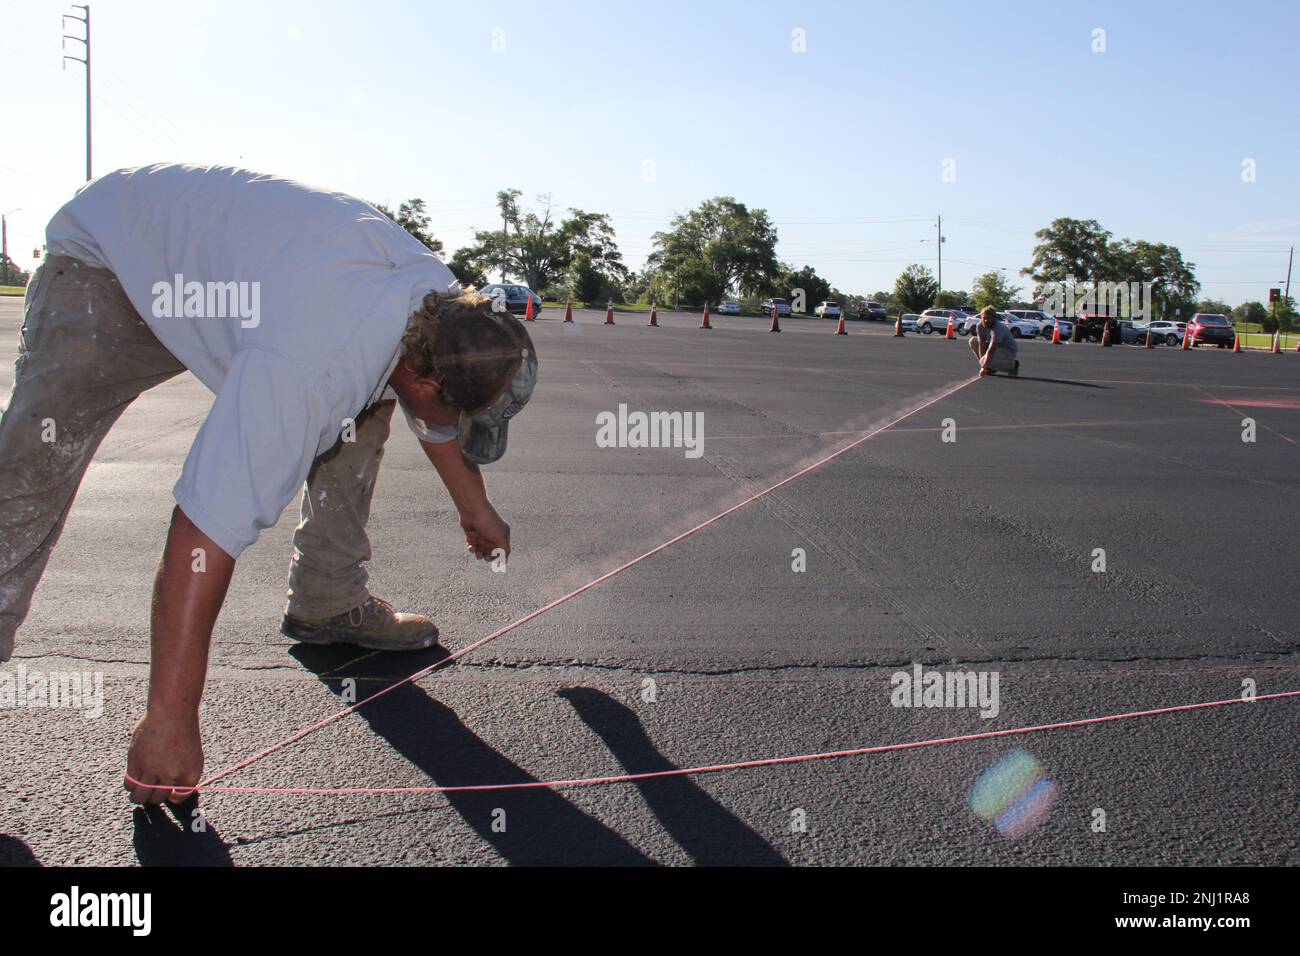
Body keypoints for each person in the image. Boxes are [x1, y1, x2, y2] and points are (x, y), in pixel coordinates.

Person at [0, 164, 537, 804]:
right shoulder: (311, 369)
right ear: (427, 380)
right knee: (30, 468)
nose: (456, 427)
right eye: (460, 413)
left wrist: (477, 509)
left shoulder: (438, 310)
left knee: (363, 408)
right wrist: (171, 718)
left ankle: (327, 597)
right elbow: (203, 531)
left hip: (238, 277)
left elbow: (431, 408)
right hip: (111, 263)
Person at [969, 306, 1019, 377]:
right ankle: (990, 367)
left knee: (988, 357)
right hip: (994, 349)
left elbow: (991, 349)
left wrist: (984, 366)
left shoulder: (998, 327)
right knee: (973, 341)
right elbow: (981, 344)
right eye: (984, 318)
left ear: (994, 318)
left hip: (1007, 350)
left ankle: (1013, 365)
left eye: (989, 318)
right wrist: (983, 365)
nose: (986, 320)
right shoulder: (980, 326)